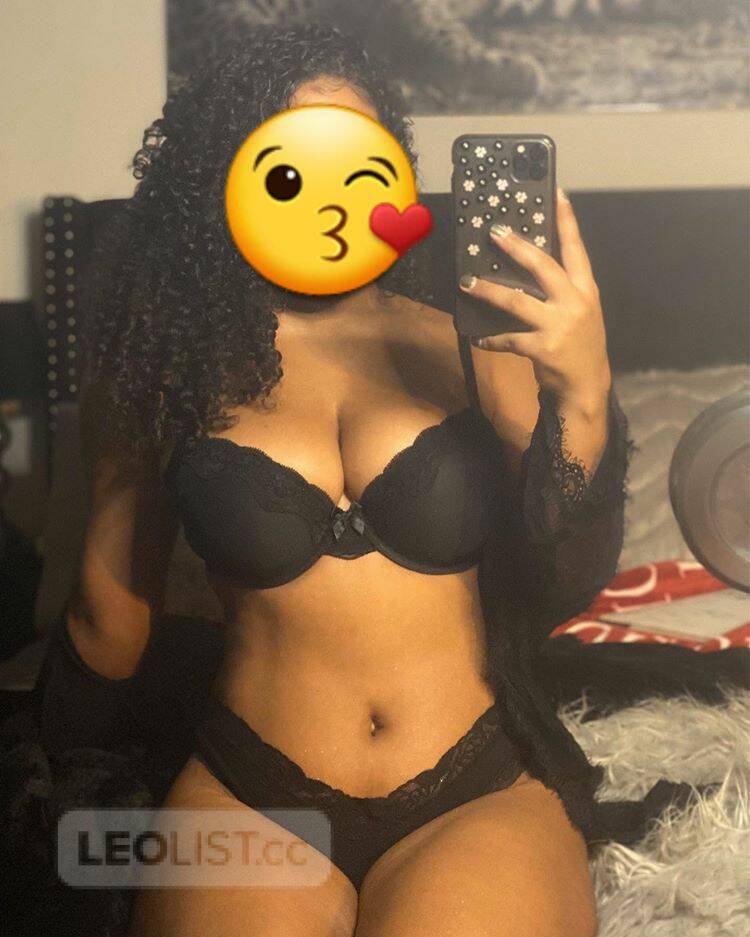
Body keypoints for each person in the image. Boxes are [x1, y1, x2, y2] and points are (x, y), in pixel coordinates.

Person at [33, 21, 707, 937]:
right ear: (224, 178)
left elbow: (567, 566)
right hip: (249, 789)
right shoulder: (161, 366)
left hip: (473, 787)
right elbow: (108, 617)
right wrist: (47, 769)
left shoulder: (477, 342)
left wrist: (584, 388)